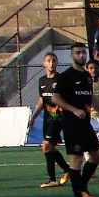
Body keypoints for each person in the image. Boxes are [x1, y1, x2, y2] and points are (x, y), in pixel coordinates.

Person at [51, 44, 99, 197]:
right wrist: (74, 110)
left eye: (84, 52)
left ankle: (82, 188)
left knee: (96, 155)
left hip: (85, 124)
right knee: (77, 159)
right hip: (71, 124)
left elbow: (90, 98)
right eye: (78, 53)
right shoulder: (66, 76)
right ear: (71, 56)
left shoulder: (87, 76)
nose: (82, 55)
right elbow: (55, 98)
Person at [29, 51, 73, 188]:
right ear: (44, 63)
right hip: (47, 119)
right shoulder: (42, 81)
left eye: (54, 60)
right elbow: (41, 101)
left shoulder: (61, 80)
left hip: (58, 118)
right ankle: (67, 169)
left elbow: (67, 99)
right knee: (49, 148)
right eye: (49, 60)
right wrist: (33, 117)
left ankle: (52, 179)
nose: (51, 63)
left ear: (57, 63)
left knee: (46, 146)